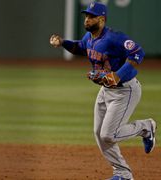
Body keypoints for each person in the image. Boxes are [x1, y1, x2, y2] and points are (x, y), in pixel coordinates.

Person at [49, 2, 156, 180]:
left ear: (102, 19)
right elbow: (80, 47)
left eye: (91, 16)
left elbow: (138, 52)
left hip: (125, 90)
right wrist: (62, 42)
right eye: (86, 16)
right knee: (99, 134)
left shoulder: (114, 38)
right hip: (106, 91)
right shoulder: (90, 38)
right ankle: (123, 173)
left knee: (109, 134)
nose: (87, 19)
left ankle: (146, 127)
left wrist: (118, 76)